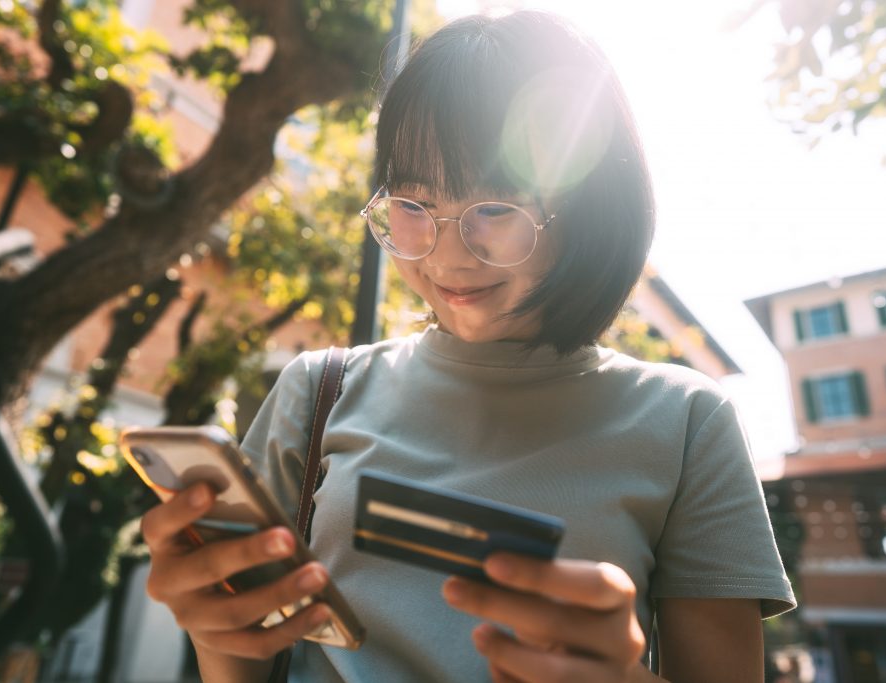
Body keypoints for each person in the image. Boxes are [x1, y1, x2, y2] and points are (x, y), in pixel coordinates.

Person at [140, 10, 796, 682]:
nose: (449, 255)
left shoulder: (687, 421)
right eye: (413, 204)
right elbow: (245, 661)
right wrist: (215, 628)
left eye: (495, 210)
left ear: (589, 211)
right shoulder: (317, 391)